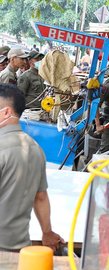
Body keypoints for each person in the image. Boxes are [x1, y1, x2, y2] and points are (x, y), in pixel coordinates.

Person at [0, 83, 64, 251]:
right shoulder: (35, 148)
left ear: (6, 112)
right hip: (19, 248)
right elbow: (40, 197)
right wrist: (47, 232)